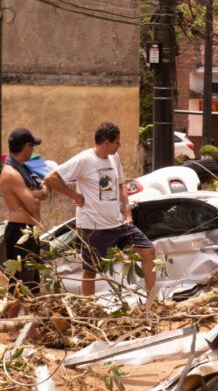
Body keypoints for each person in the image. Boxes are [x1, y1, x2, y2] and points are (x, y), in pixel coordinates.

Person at [44, 122, 157, 302]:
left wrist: (126, 205)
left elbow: (120, 184)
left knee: (149, 251)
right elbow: (51, 178)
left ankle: (153, 301)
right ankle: (91, 308)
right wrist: (74, 194)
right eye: (116, 142)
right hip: (93, 226)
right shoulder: (84, 159)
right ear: (106, 141)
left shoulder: (114, 157)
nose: (119, 145)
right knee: (90, 271)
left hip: (118, 223)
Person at [0, 128, 48, 300]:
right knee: (21, 286)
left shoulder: (23, 169)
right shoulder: (12, 173)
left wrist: (33, 192)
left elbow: (44, 192)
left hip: (29, 231)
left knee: (30, 285)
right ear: (27, 146)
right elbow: (33, 204)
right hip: (20, 231)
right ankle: (17, 325)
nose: (34, 150)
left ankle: (25, 326)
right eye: (33, 146)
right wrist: (36, 192)